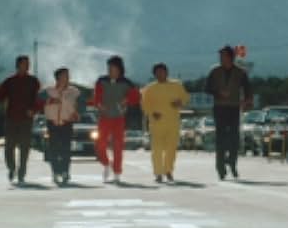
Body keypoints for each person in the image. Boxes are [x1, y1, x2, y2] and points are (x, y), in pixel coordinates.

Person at [205, 45, 252, 180]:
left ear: (231, 57)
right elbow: (207, 88)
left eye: (224, 56)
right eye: (220, 56)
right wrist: (218, 93)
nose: (221, 59)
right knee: (221, 138)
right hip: (219, 107)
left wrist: (247, 99)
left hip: (234, 107)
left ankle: (232, 163)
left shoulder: (240, 72)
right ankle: (220, 167)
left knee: (234, 138)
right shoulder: (214, 71)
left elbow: (248, 88)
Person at [91, 56, 140, 184]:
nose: (110, 70)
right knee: (99, 145)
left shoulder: (127, 83)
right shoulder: (101, 81)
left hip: (119, 118)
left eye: (113, 67)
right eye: (109, 67)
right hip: (104, 118)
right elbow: (96, 98)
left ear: (119, 69)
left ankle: (117, 172)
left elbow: (136, 98)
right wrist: (99, 105)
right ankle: (106, 164)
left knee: (118, 146)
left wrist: (127, 100)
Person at [0, 55, 41, 185]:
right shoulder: (9, 81)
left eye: (28, 63)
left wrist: (34, 110)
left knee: (25, 147)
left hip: (26, 119)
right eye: (25, 63)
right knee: (9, 147)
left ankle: (21, 172)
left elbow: (37, 100)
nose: (27, 66)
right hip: (11, 118)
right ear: (18, 65)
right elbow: (0, 98)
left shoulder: (33, 81)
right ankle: (11, 168)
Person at [141, 63, 190, 184]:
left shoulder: (176, 85)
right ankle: (158, 173)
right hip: (157, 124)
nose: (161, 74)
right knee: (156, 149)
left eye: (163, 71)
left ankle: (168, 170)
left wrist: (179, 103)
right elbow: (144, 105)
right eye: (158, 72)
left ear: (167, 72)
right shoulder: (149, 89)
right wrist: (152, 113)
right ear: (154, 75)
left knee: (171, 149)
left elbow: (185, 98)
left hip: (173, 123)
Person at [42, 67, 81, 186]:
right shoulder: (49, 91)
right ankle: (56, 171)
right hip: (52, 123)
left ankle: (65, 171)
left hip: (66, 123)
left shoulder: (74, 92)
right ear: (58, 78)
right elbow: (39, 103)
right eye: (65, 76)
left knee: (66, 149)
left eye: (68, 76)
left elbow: (81, 105)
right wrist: (50, 102)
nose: (67, 78)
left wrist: (76, 114)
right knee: (53, 149)